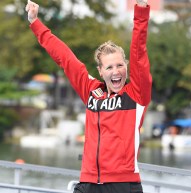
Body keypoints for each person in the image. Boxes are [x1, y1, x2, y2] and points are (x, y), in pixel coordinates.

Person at [25, 0, 151, 193]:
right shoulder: (92, 92)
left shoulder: (136, 95)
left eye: (120, 65)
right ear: (100, 71)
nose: (116, 71)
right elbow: (65, 58)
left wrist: (141, 10)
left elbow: (139, 53)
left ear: (126, 66)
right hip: (88, 182)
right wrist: (35, 22)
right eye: (109, 67)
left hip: (123, 185)